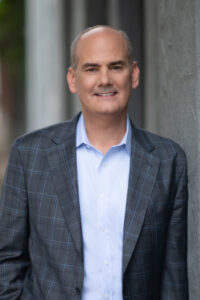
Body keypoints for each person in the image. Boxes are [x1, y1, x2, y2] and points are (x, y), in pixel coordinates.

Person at [0, 25, 188, 299]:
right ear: (73, 79)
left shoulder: (168, 160)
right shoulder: (29, 156)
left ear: (133, 74)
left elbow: (173, 278)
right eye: (91, 68)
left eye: (115, 66)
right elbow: (7, 261)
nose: (104, 79)